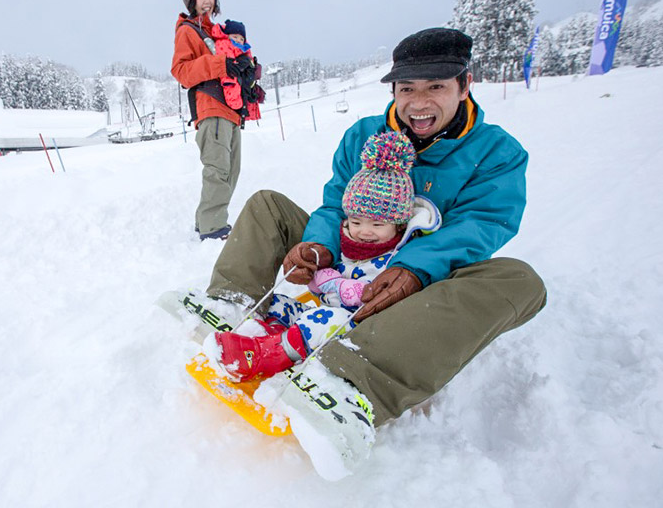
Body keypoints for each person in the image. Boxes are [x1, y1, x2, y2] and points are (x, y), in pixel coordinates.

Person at [191, 27, 548, 479]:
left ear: (465, 85)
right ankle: (234, 306)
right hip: (347, 264)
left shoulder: (498, 152)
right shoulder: (365, 135)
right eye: (406, 89)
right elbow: (334, 202)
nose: (418, 103)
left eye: (435, 87)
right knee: (267, 204)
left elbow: (483, 225)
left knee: (521, 281)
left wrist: (415, 268)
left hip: (423, 287)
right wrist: (319, 244)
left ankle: (346, 381)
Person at [211, 129, 441, 383]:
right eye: (356, 221)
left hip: (355, 327)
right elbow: (324, 276)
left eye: (377, 225)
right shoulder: (347, 242)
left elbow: (377, 294)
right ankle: (267, 336)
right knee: (277, 303)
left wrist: (344, 287)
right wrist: (321, 270)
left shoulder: (397, 256)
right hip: (322, 314)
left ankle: (270, 354)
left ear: (398, 225)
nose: (364, 232)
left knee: (327, 320)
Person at [171, 0, 256, 241]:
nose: (206, 1)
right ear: (191, 2)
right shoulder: (188, 31)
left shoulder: (216, 32)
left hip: (231, 112)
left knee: (232, 170)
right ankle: (213, 228)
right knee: (218, 170)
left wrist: (246, 70)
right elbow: (181, 71)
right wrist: (221, 64)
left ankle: (205, 220)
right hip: (211, 108)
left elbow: (233, 66)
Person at [212, 19, 264, 123]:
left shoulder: (243, 51)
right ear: (227, 36)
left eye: (241, 38)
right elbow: (230, 77)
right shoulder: (225, 45)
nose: (238, 40)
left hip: (242, 94)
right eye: (234, 37)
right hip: (233, 98)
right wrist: (237, 104)